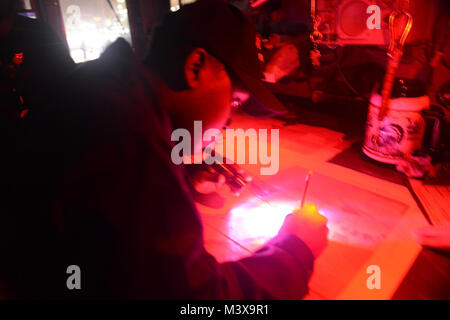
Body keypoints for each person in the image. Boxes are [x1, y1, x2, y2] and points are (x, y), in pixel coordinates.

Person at [1, 0, 328, 299]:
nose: (229, 120)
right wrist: (295, 251)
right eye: (234, 101)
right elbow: (197, 301)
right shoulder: (129, 139)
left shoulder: (105, 86)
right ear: (195, 67)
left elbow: (109, 208)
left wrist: (185, 179)